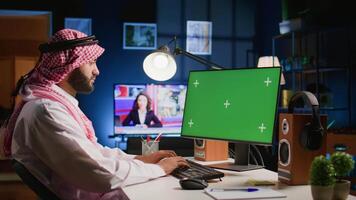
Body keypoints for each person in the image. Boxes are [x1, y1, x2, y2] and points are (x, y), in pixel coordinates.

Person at [1, 29, 188, 199]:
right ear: (69, 65)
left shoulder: (51, 104)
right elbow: (99, 173)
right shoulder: (47, 110)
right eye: (91, 62)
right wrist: (159, 169)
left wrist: (140, 159)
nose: (97, 71)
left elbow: (94, 153)